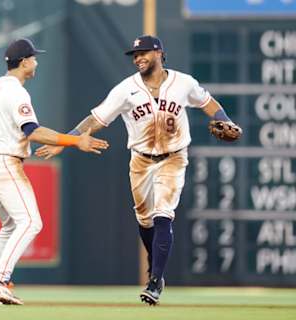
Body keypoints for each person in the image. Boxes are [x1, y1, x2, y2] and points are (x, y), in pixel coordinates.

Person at [36, 35, 242, 305]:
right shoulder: (125, 89)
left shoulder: (184, 83)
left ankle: (155, 281)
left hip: (173, 157)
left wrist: (225, 120)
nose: (138, 58)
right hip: (141, 160)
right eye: (135, 55)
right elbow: (96, 119)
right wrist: (66, 140)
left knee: (163, 214)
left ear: (159, 53)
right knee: (144, 220)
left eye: (143, 52)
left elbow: (208, 103)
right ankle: (155, 265)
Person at [0, 38, 109, 305]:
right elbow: (33, 132)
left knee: (11, 225)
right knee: (31, 222)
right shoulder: (16, 92)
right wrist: (75, 140)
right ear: (23, 63)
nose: (36, 62)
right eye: (33, 58)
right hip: (4, 161)